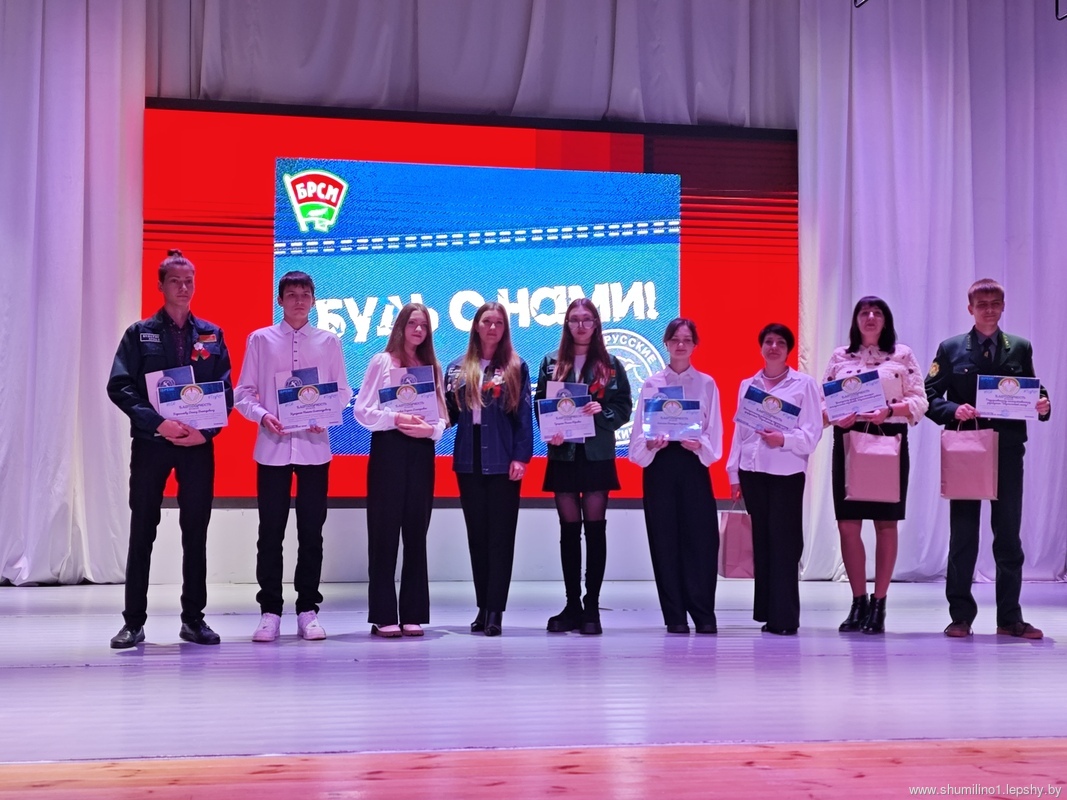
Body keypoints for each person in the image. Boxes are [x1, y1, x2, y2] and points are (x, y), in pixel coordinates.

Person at [106, 249, 233, 648]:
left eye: (189, 281)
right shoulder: (139, 333)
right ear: (160, 285)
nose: (183, 287)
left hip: (196, 446)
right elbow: (119, 386)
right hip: (152, 444)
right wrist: (157, 422)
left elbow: (225, 391)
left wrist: (205, 433)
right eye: (175, 281)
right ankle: (133, 622)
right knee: (143, 529)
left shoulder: (211, 334)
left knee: (195, 532)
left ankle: (194, 620)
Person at [925, 278, 1051, 639]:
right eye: (982, 304)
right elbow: (929, 395)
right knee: (963, 535)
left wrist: (1043, 404)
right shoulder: (951, 348)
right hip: (967, 449)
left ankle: (1010, 618)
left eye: (995, 303)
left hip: (1008, 450)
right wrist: (953, 409)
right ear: (970, 309)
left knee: (1008, 536)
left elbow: (1032, 389)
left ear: (1003, 306)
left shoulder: (1020, 347)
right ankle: (960, 617)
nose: (989, 310)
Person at [234, 271, 352, 643]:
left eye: (305, 294)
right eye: (291, 294)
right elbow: (243, 393)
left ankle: (307, 610)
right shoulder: (260, 339)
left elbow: (343, 392)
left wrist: (324, 415)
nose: (299, 300)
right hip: (272, 446)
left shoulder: (329, 341)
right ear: (280, 300)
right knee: (270, 532)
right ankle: (270, 611)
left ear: (314, 301)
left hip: (315, 448)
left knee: (311, 533)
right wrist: (262, 415)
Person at [822, 296, 927, 634]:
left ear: (885, 320)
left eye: (877, 313)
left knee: (886, 524)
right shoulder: (840, 357)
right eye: (864, 312)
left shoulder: (902, 355)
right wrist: (835, 415)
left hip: (888, 440)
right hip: (849, 440)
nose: (870, 317)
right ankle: (858, 602)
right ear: (855, 320)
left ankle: (879, 603)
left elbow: (920, 400)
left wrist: (890, 410)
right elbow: (823, 404)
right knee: (847, 525)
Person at [535, 298, 632, 635]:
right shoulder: (551, 362)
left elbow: (624, 407)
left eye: (586, 319)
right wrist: (550, 430)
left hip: (596, 454)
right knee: (568, 532)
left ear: (596, 324)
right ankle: (572, 604)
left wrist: (602, 413)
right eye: (574, 319)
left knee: (595, 530)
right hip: (563, 454)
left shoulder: (610, 364)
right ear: (567, 324)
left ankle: (592, 607)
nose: (580, 325)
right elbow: (540, 405)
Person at [353, 302, 446, 638]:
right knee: (384, 533)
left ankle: (413, 613)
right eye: (413, 324)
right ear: (401, 327)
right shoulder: (382, 361)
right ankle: (382, 615)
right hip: (388, 449)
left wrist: (431, 430)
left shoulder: (431, 367)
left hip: (421, 452)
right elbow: (362, 410)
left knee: (416, 534)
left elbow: (442, 417)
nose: (418, 330)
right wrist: (396, 418)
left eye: (424, 325)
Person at [725, 323, 824, 635]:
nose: (773, 347)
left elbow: (812, 433)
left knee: (785, 544)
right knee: (763, 544)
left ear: (788, 349)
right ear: (761, 347)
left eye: (780, 342)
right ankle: (769, 613)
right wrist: (733, 472)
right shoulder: (748, 384)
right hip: (752, 472)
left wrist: (784, 439)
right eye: (768, 341)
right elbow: (739, 433)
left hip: (786, 473)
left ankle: (785, 618)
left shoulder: (804, 385)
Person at [628, 318, 722, 635]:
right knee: (664, 541)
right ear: (666, 344)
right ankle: (675, 616)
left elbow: (714, 433)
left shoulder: (707, 384)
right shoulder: (651, 384)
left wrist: (700, 444)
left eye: (687, 339)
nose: (681, 345)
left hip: (693, 465)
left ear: (695, 345)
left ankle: (704, 613)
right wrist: (650, 444)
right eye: (675, 339)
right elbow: (638, 438)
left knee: (701, 540)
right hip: (660, 466)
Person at [444, 302, 533, 637]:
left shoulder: (515, 366)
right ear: (476, 326)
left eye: (498, 322)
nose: (492, 327)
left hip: (503, 458)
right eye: (487, 321)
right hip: (468, 459)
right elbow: (449, 413)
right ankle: (482, 606)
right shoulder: (457, 367)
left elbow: (524, 416)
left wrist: (521, 457)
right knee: (477, 537)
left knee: (500, 538)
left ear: (504, 328)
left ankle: (496, 610)